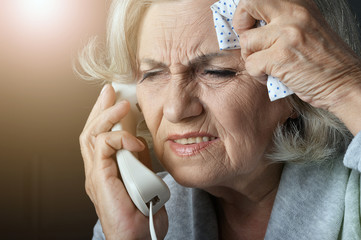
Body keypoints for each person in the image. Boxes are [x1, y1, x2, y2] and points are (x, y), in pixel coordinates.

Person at [78, 0, 361, 239]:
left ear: (295, 90)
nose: (176, 110)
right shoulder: (130, 220)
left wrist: (346, 88)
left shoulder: (353, 199)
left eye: (216, 72)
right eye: (152, 75)